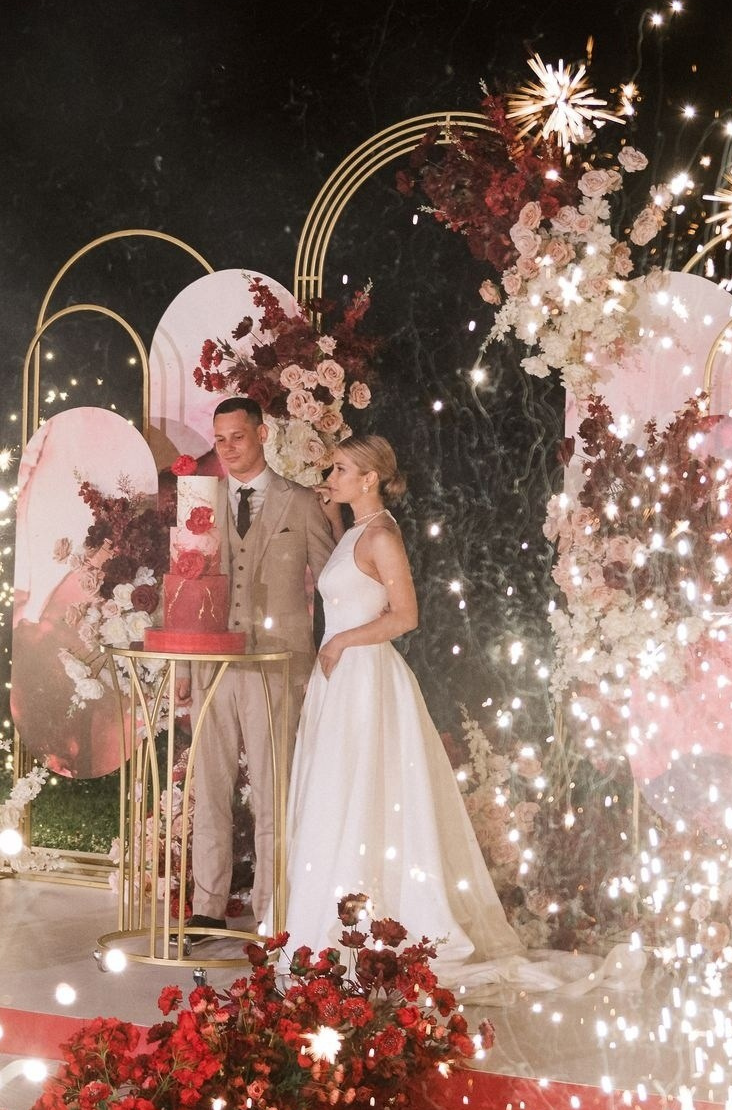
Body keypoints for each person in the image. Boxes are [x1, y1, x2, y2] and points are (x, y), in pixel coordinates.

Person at [280, 436, 537, 981]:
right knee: (340, 791)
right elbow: (348, 582)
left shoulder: (382, 535)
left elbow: (405, 615)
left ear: (369, 477)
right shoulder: (355, 530)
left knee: (364, 791)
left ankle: (362, 921)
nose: (333, 473)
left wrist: (342, 642)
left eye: (343, 468)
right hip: (342, 681)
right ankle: (334, 918)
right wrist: (329, 511)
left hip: (365, 676)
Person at [186, 397, 335, 929]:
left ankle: (272, 911)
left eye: (238, 437)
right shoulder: (201, 500)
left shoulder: (299, 502)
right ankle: (207, 908)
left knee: (274, 790)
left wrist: (330, 655)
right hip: (211, 664)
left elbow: (333, 584)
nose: (228, 448)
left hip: (278, 664)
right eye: (220, 439)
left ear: (263, 433)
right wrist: (184, 667)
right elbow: (185, 583)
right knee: (209, 787)